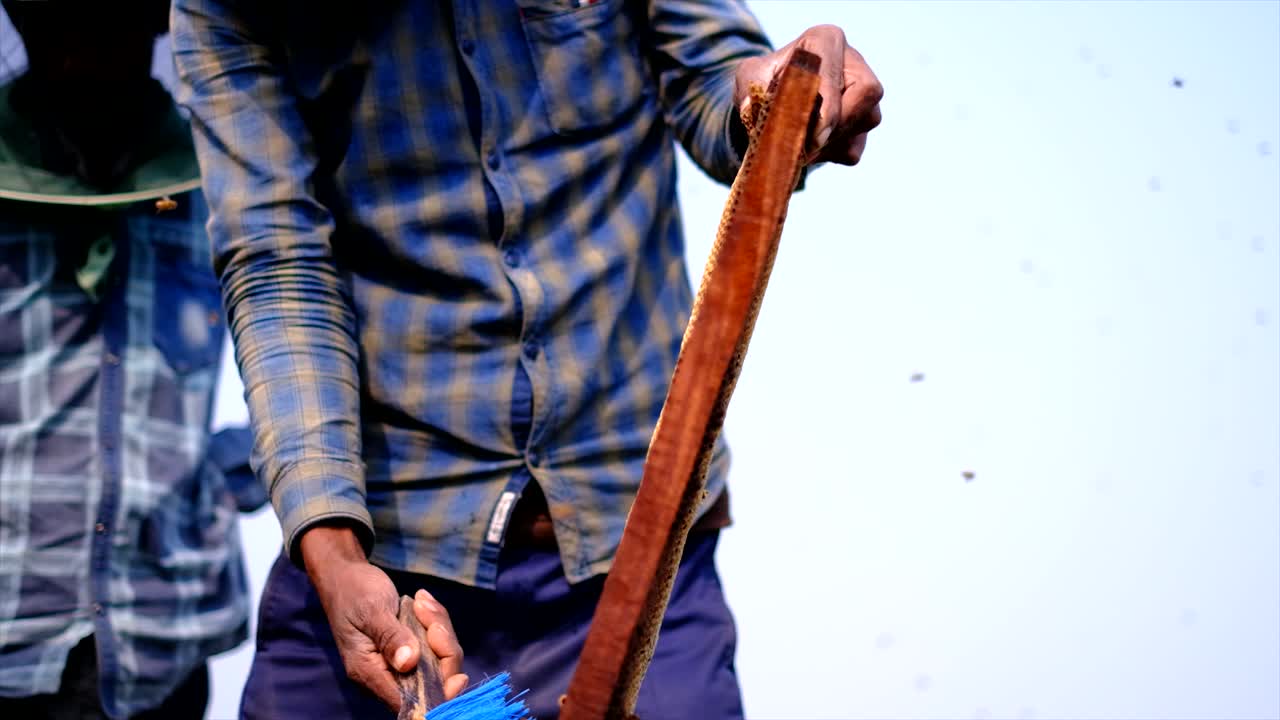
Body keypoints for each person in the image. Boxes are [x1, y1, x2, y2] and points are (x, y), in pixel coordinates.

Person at [172, 1, 882, 718]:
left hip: (636, 543)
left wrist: (778, 99)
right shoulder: (224, 9)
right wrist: (333, 556)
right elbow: (277, 263)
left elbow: (713, 83)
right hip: (386, 561)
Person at [0, 2, 262, 718]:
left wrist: (226, 474)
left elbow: (305, 341)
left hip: (164, 634)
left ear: (152, 28)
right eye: (56, 30)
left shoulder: (221, 190)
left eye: (101, 28)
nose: (78, 60)